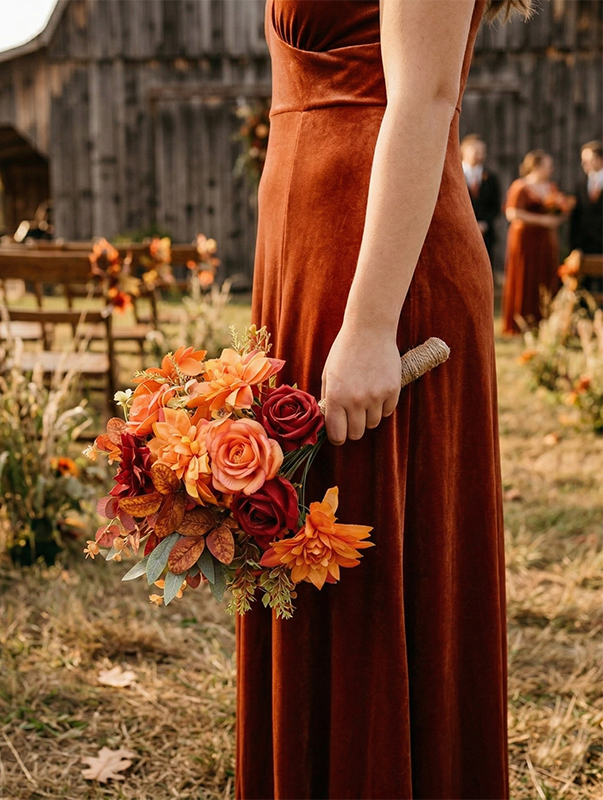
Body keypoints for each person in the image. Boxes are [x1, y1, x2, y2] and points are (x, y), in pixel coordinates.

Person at [239, 0, 519, 797]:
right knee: (304, 548)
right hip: (306, 249)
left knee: (362, 558)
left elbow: (423, 99)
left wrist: (368, 325)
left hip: (379, 269)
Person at [501, 150, 573, 335]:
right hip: (525, 239)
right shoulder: (520, 186)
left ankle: (544, 321)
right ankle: (520, 321)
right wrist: (543, 221)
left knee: (545, 274)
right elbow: (512, 213)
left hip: (545, 241)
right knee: (525, 274)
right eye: (548, 165)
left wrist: (560, 215)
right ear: (536, 166)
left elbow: (559, 211)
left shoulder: (551, 188)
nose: (551, 169)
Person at [461, 133, 501, 267]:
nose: (480, 155)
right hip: (459, 231)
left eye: (483, 151)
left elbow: (495, 206)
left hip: (484, 233)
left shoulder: (491, 178)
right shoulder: (455, 175)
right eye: (476, 151)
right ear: (463, 151)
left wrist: (484, 223)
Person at [570, 140, 603, 294]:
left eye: (588, 160)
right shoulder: (580, 184)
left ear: (600, 159)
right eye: (583, 161)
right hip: (585, 244)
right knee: (583, 289)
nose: (584, 164)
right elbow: (575, 217)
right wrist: (574, 245)